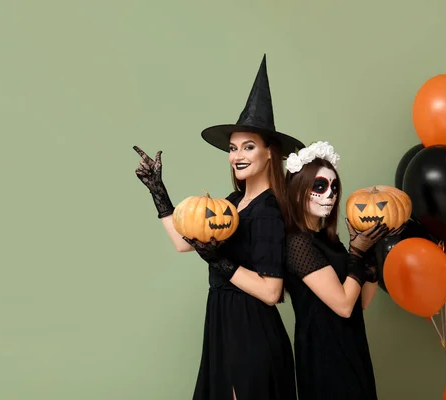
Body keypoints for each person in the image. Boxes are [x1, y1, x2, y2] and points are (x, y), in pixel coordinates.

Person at [133, 55, 305, 400]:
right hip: (224, 325)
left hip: (250, 330)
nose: (237, 155)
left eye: (248, 146)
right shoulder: (232, 202)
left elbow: (272, 292)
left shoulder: (269, 211)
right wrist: (158, 192)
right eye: (232, 148)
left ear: (270, 154)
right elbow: (186, 243)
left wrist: (220, 262)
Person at [283, 141, 399, 400]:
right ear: (298, 189)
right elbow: (344, 305)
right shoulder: (297, 242)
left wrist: (371, 253)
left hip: (352, 345)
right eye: (320, 187)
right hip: (323, 354)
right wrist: (356, 253)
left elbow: (362, 302)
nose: (330, 195)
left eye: (334, 188)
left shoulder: (329, 240)